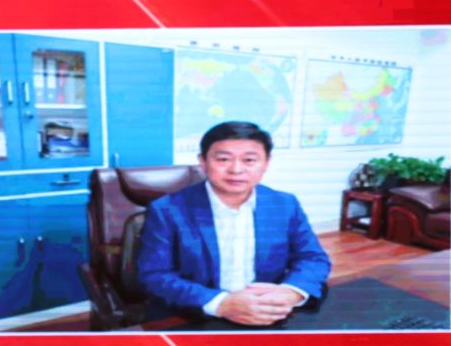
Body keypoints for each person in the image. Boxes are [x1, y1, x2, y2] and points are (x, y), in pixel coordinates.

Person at [135, 120, 332, 326]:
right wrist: (220, 303)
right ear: (203, 161)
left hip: (268, 313)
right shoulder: (167, 209)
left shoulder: (284, 204)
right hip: (194, 315)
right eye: (223, 159)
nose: (236, 170)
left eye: (249, 160)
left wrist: (291, 292)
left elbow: (313, 258)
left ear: (266, 163)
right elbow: (155, 274)